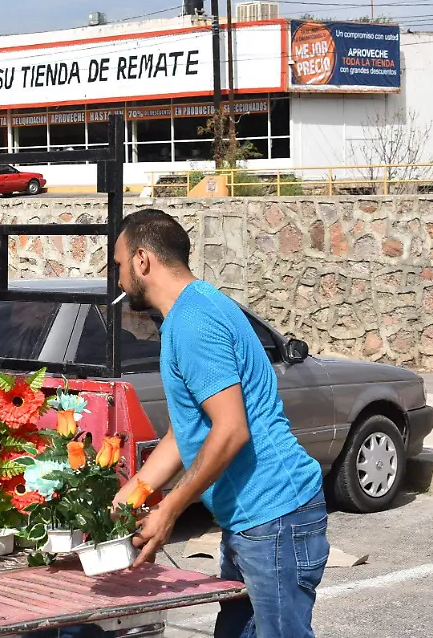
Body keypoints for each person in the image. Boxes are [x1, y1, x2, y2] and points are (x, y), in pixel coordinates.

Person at [111, 209, 327, 638]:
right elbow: (186, 433)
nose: (118, 280)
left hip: (275, 515)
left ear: (142, 260)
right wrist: (127, 499)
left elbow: (231, 430)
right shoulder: (191, 312)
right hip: (253, 521)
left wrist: (169, 510)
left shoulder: (194, 321)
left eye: (118, 265)